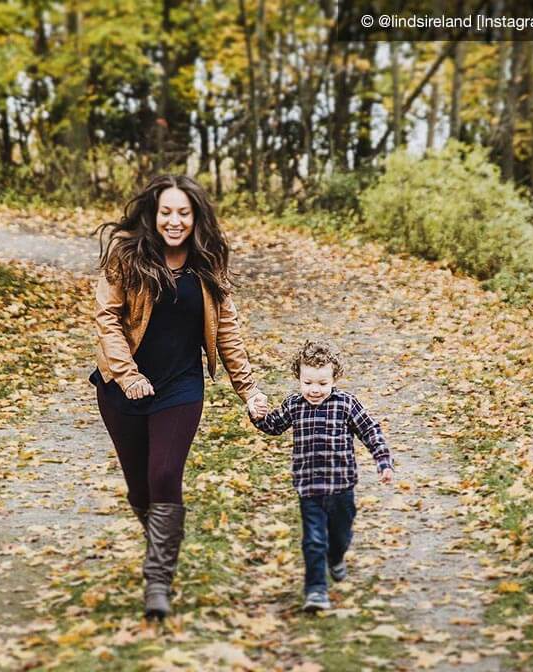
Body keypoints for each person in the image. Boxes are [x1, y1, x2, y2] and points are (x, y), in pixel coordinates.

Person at [89, 174, 268, 620]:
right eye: (166, 212)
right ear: (153, 214)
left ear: (196, 217)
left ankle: (158, 583)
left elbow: (226, 330)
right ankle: (162, 547)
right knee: (140, 487)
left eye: (183, 213)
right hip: (121, 390)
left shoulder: (207, 262)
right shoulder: (126, 257)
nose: (174, 221)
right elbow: (107, 319)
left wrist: (249, 390)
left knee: (165, 474)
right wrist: (128, 376)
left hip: (181, 387)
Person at [249, 340, 393, 612]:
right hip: (309, 487)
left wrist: (383, 461)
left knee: (340, 534)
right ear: (299, 378)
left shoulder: (346, 404)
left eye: (322, 384)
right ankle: (316, 590)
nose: (314, 390)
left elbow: (370, 430)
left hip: (341, 486)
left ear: (334, 379)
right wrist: (257, 415)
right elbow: (273, 425)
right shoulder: (294, 404)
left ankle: (336, 557)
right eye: (308, 383)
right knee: (313, 540)